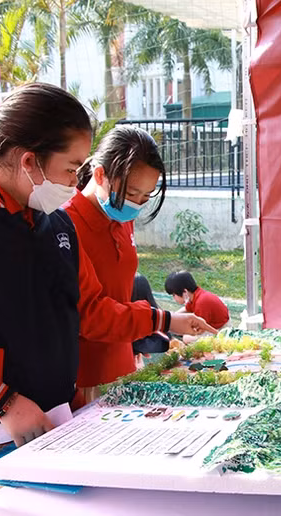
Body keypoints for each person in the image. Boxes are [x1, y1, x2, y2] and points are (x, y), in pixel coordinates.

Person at [0, 83, 213, 516]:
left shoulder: (54, 225)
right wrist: (3, 402)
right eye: (72, 167)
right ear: (29, 161)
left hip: (57, 421)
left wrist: (162, 322)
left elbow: (89, 311)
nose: (75, 182)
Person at [64, 126, 214, 403]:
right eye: (131, 194)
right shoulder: (64, 224)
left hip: (123, 363)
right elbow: (89, 315)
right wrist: (164, 319)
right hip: (83, 376)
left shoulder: (122, 218)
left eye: (145, 197)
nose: (136, 205)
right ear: (100, 175)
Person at [165, 271, 230, 330]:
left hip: (220, 328)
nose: (174, 298)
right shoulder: (194, 295)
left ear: (185, 292)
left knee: (186, 337)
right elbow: (186, 309)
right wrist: (173, 316)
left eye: (174, 295)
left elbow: (200, 326)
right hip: (210, 323)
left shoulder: (201, 302)